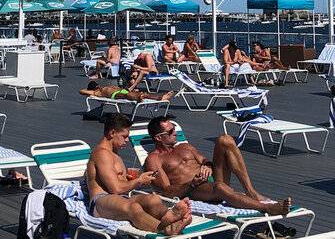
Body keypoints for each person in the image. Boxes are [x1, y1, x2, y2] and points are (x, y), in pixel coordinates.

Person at [144, 115, 292, 215]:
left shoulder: (185, 147)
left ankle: (250, 191)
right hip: (194, 190)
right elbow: (166, 193)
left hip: (212, 181)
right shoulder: (154, 159)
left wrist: (207, 166)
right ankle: (268, 208)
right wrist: (191, 184)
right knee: (220, 187)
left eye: (174, 128)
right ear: (158, 137)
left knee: (225, 139)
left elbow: (205, 160)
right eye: (170, 131)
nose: (175, 132)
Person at [85, 113, 192, 235]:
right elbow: (115, 189)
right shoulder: (102, 154)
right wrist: (139, 181)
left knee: (153, 199)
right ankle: (164, 228)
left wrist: (133, 179)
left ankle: (172, 218)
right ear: (112, 133)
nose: (126, 140)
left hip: (120, 198)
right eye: (124, 136)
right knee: (133, 207)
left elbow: (118, 185)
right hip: (101, 201)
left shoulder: (113, 152)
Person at [80, 81, 174, 103]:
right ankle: (160, 98)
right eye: (96, 86)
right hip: (115, 95)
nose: (98, 86)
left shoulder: (103, 87)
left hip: (121, 90)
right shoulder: (95, 92)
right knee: (128, 95)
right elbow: (81, 91)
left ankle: (159, 97)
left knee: (141, 93)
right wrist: (91, 90)